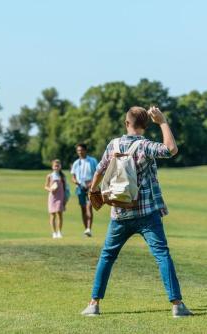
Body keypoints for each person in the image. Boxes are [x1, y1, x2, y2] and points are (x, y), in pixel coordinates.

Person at [81, 106, 193, 318]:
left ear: (126, 124)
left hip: (119, 214)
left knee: (107, 256)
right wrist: (162, 121)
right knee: (162, 256)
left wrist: (93, 191)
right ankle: (177, 305)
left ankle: (93, 304)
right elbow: (171, 149)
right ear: (145, 125)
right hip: (147, 214)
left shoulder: (113, 144)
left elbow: (100, 170)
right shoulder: (145, 146)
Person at [70, 143, 98, 237]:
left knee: (89, 207)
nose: (80, 152)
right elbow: (73, 177)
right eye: (78, 150)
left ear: (85, 150)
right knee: (83, 209)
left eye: (81, 150)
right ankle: (86, 230)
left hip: (91, 187)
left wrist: (91, 184)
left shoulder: (93, 161)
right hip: (80, 188)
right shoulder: (76, 163)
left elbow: (97, 174)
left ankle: (89, 229)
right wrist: (77, 182)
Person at [44, 160, 68, 239]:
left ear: (60, 167)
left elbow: (65, 188)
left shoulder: (62, 176)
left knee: (60, 214)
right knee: (52, 214)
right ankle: (54, 232)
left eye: (58, 166)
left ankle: (59, 232)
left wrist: (65, 198)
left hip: (61, 197)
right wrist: (50, 189)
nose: (56, 167)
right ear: (52, 167)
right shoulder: (49, 176)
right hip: (52, 197)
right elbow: (46, 186)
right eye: (55, 166)